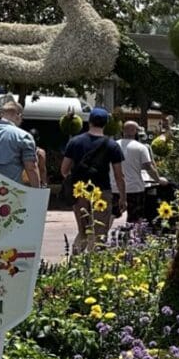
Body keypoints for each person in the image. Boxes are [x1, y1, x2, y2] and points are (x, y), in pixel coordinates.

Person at [61, 108, 126, 254]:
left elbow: (64, 170)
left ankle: (75, 263)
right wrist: (123, 197)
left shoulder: (75, 142)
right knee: (99, 233)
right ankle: (94, 267)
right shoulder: (112, 145)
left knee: (83, 231)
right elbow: (119, 175)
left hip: (80, 190)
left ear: (89, 122)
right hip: (102, 191)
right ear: (106, 123)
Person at [118, 120, 165, 225]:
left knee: (111, 215)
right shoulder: (141, 147)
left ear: (123, 130)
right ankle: (134, 239)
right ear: (135, 131)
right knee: (135, 218)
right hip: (135, 188)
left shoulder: (114, 145)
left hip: (116, 187)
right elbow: (148, 167)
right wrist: (158, 180)